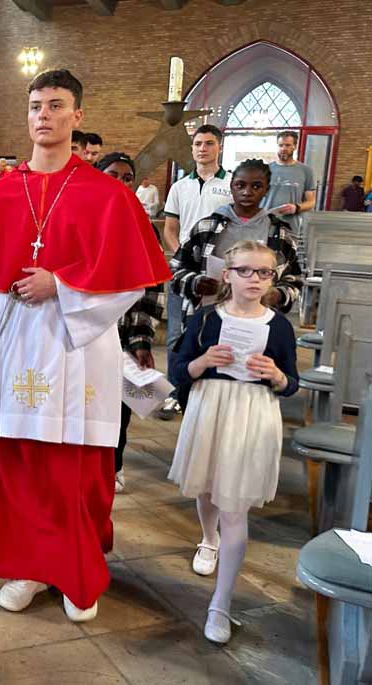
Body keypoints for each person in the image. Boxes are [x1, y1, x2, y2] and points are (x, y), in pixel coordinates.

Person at [0, 69, 170, 622]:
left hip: (77, 349)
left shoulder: (107, 196)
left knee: (74, 470)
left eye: (56, 105)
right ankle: (28, 568)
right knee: (16, 465)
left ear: (77, 117)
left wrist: (60, 286)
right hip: (11, 346)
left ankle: (75, 574)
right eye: (36, 105)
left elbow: (134, 280)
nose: (44, 115)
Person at [168, 240, 298, 644]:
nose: (255, 279)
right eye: (245, 270)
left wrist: (276, 375)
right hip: (211, 407)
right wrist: (203, 362)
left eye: (264, 272)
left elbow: (291, 382)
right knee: (207, 488)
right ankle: (209, 539)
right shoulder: (206, 318)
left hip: (252, 411)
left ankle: (220, 604)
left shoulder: (279, 325)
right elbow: (177, 369)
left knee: (236, 504)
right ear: (227, 274)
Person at [96, 152, 165, 493]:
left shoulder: (142, 227)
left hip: (122, 334)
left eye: (127, 177)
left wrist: (140, 340)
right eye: (112, 175)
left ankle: (115, 464)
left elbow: (152, 288)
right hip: (83, 334)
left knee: (119, 405)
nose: (120, 183)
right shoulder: (83, 217)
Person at [171, 159, 302, 331]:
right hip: (209, 318)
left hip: (259, 322)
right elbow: (176, 268)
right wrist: (195, 283)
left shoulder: (280, 233)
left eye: (256, 186)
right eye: (240, 185)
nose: (247, 192)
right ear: (231, 187)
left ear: (266, 190)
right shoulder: (206, 227)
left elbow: (295, 280)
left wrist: (278, 294)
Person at [159, 123, 231, 420]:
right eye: (198, 143)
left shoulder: (230, 185)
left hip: (217, 269)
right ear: (192, 148)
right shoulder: (180, 186)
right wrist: (182, 258)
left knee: (213, 332)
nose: (203, 148)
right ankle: (173, 393)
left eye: (209, 143)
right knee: (176, 332)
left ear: (219, 147)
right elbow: (170, 229)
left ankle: (207, 395)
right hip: (183, 270)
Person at [261, 131, 316, 237]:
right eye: (280, 145)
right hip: (265, 225)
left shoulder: (305, 171)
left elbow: (311, 202)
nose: (283, 148)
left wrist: (297, 208)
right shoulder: (265, 170)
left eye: (287, 145)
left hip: (291, 227)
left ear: (295, 146)